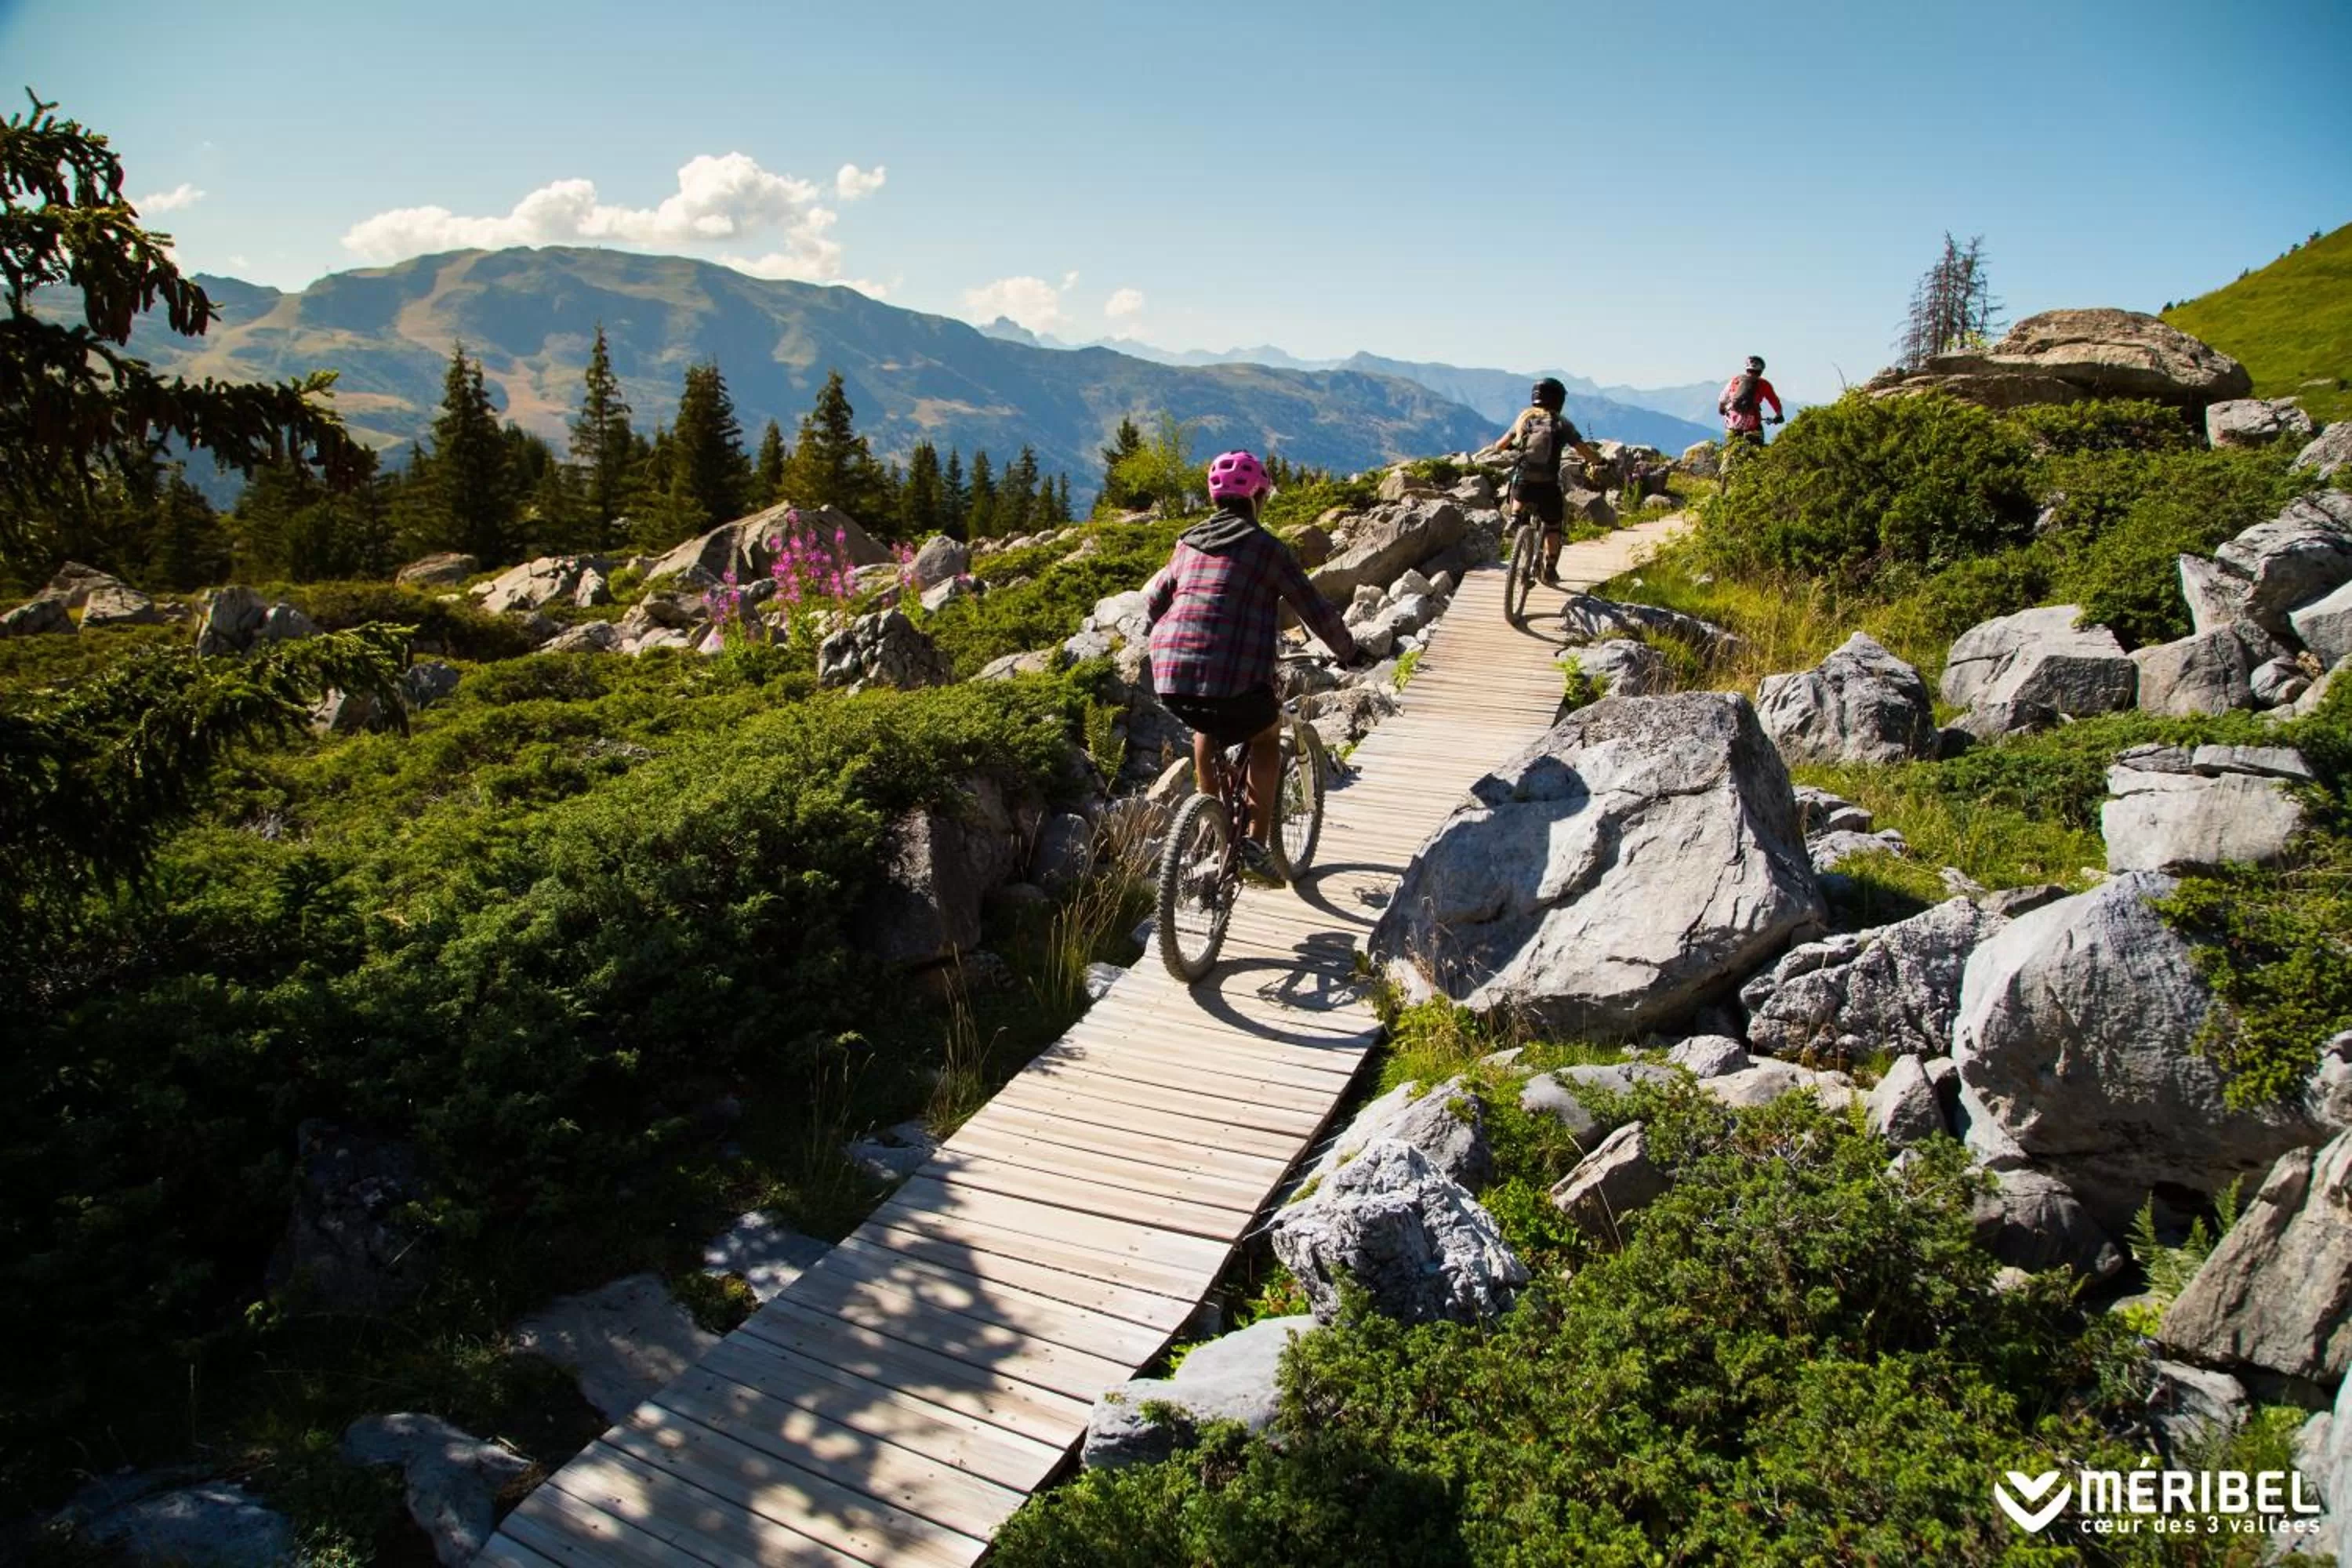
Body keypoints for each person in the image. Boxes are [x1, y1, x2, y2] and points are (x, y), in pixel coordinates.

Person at [1145, 449, 1357, 883]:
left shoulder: (1186, 543)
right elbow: (1313, 608)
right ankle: (1256, 846)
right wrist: (1350, 651)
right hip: (1236, 678)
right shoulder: (1267, 549)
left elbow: (1154, 602)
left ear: (1214, 499)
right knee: (1264, 737)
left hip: (1171, 674)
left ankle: (1213, 820)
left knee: (1206, 724)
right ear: (1258, 497)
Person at [1483, 377, 1605, 585]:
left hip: (1524, 481)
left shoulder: (1525, 418)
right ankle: (1549, 569)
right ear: (1559, 400)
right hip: (1548, 484)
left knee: (1520, 484)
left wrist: (1511, 447)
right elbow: (1583, 450)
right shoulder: (1561, 423)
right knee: (1553, 524)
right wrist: (1600, 460)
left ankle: (1514, 517)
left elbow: (1501, 445)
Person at [1718, 354, 1785, 450]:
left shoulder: (1735, 381)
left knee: (1730, 447)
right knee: (1758, 448)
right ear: (1761, 370)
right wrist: (1779, 415)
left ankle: (1727, 459)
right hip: (1752, 422)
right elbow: (1774, 402)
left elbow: (1722, 398)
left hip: (1733, 421)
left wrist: (1721, 409)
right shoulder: (1764, 384)